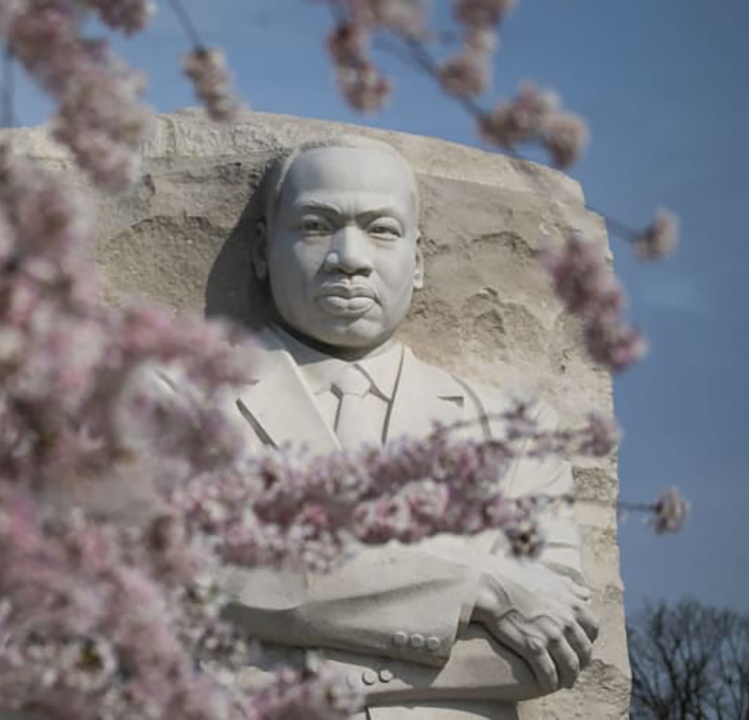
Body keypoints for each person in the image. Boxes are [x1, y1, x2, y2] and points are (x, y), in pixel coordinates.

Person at [217, 137, 599, 720]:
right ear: (264, 252)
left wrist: (268, 662)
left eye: (381, 229)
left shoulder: (514, 435)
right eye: (316, 225)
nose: (349, 257)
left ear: (418, 263)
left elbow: (546, 654)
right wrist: (478, 589)